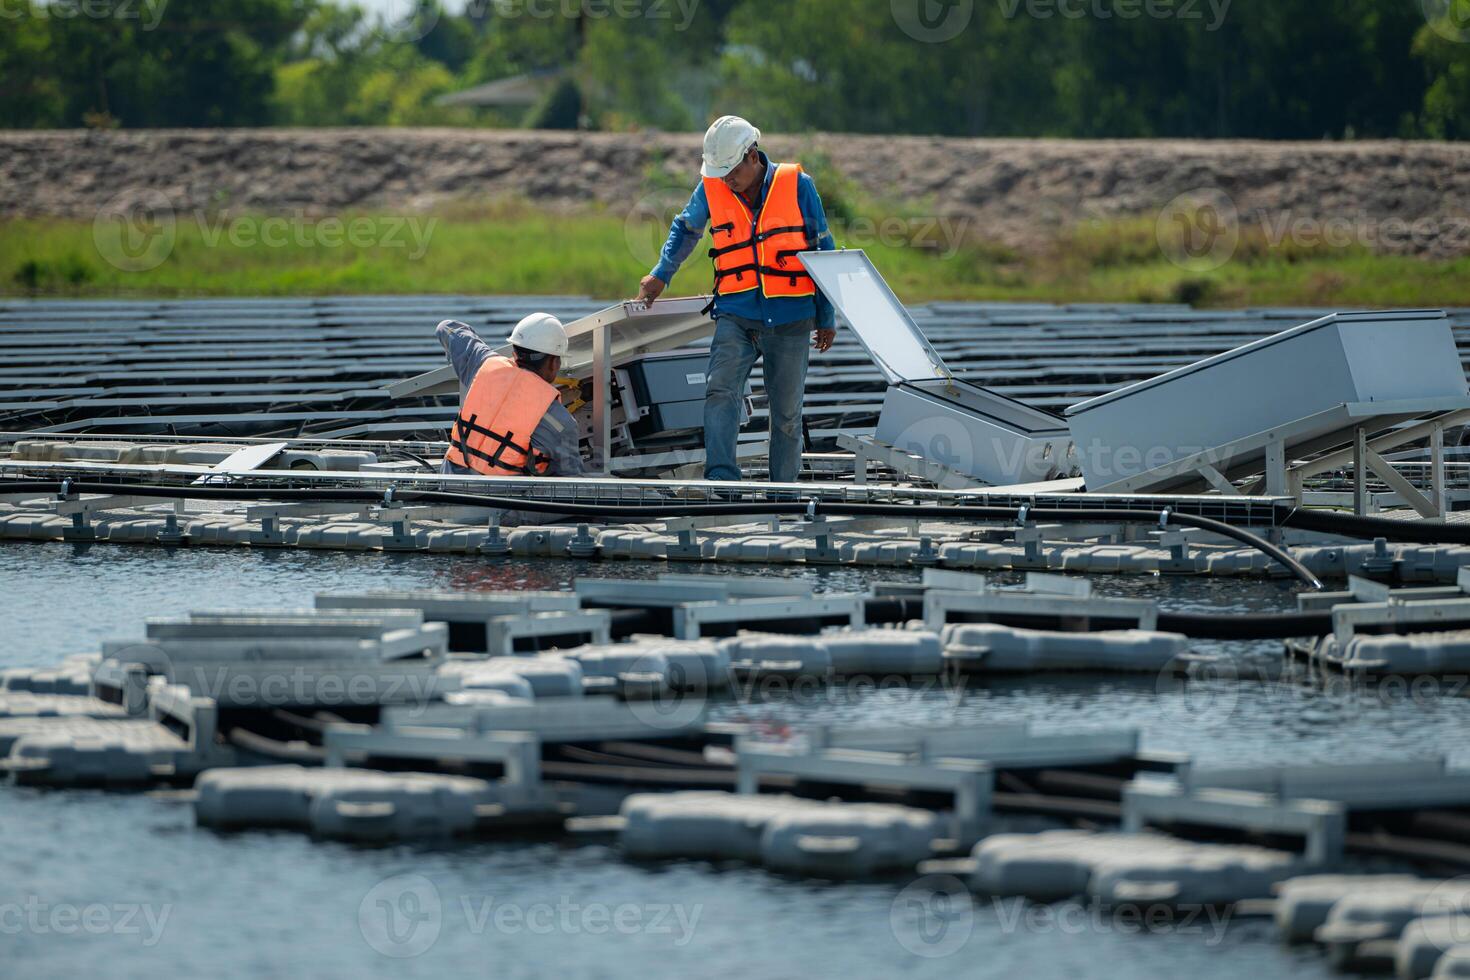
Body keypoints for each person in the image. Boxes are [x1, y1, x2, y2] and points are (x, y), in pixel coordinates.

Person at [636, 114, 836, 484]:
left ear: (753, 155)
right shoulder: (711, 187)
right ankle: (722, 482)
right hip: (736, 313)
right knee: (720, 391)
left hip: (791, 316)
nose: (726, 180)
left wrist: (826, 315)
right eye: (719, 172)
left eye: (731, 171)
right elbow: (686, 228)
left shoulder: (798, 186)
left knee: (787, 414)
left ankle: (784, 492)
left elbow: (823, 250)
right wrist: (661, 273)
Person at [436, 314, 585, 478]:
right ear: (553, 362)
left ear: (515, 352)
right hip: (501, 500)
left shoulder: (483, 364)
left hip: (451, 483)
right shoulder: (561, 422)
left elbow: (446, 328)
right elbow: (571, 482)